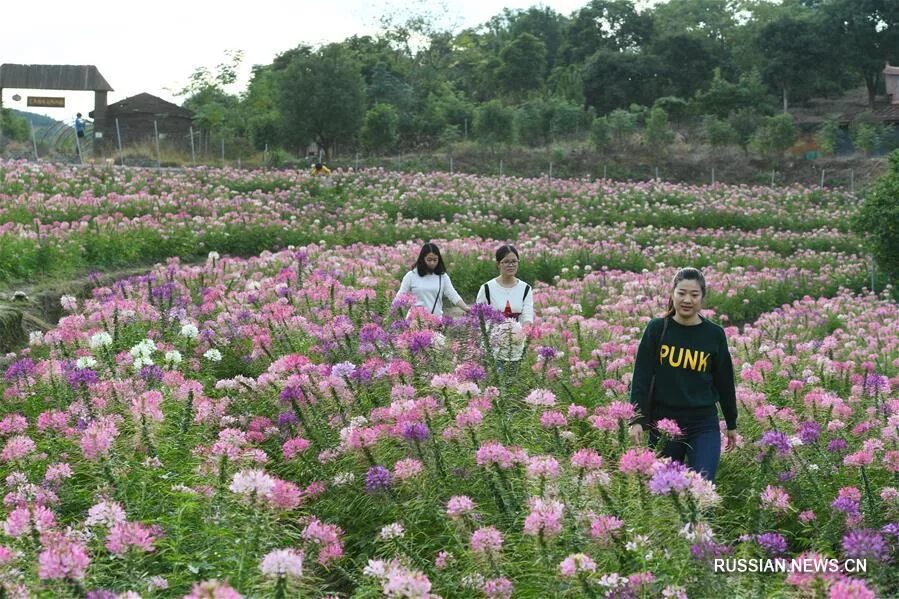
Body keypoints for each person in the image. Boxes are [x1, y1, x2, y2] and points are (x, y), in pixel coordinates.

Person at [628, 267, 737, 481]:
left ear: (702, 298)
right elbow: (640, 377)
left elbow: (725, 382)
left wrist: (731, 423)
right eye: (682, 293)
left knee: (703, 486)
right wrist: (637, 420)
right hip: (664, 423)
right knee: (664, 490)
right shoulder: (657, 329)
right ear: (672, 293)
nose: (687, 299)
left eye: (694, 295)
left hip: (703, 423)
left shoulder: (714, 335)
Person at [476, 245, 534, 367]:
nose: (511, 265)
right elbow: (478, 316)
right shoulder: (487, 288)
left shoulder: (525, 288)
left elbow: (527, 316)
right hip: (493, 347)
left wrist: (524, 331)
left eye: (514, 261)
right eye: (506, 262)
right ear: (498, 264)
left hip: (516, 346)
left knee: (513, 382)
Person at [395, 242, 470, 317]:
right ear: (422, 259)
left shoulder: (442, 277)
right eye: (429, 260)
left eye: (435, 260)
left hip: (436, 321)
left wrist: (466, 308)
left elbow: (452, 295)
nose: (432, 263)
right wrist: (389, 316)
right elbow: (400, 297)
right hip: (415, 321)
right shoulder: (411, 276)